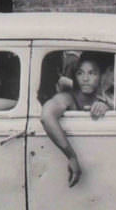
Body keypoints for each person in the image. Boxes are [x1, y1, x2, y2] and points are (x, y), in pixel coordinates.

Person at [41, 53, 111, 187]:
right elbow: (46, 116)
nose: (85, 79)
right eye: (80, 73)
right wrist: (71, 157)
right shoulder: (67, 98)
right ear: (75, 76)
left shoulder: (106, 98)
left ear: (101, 77)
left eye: (92, 73)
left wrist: (106, 107)